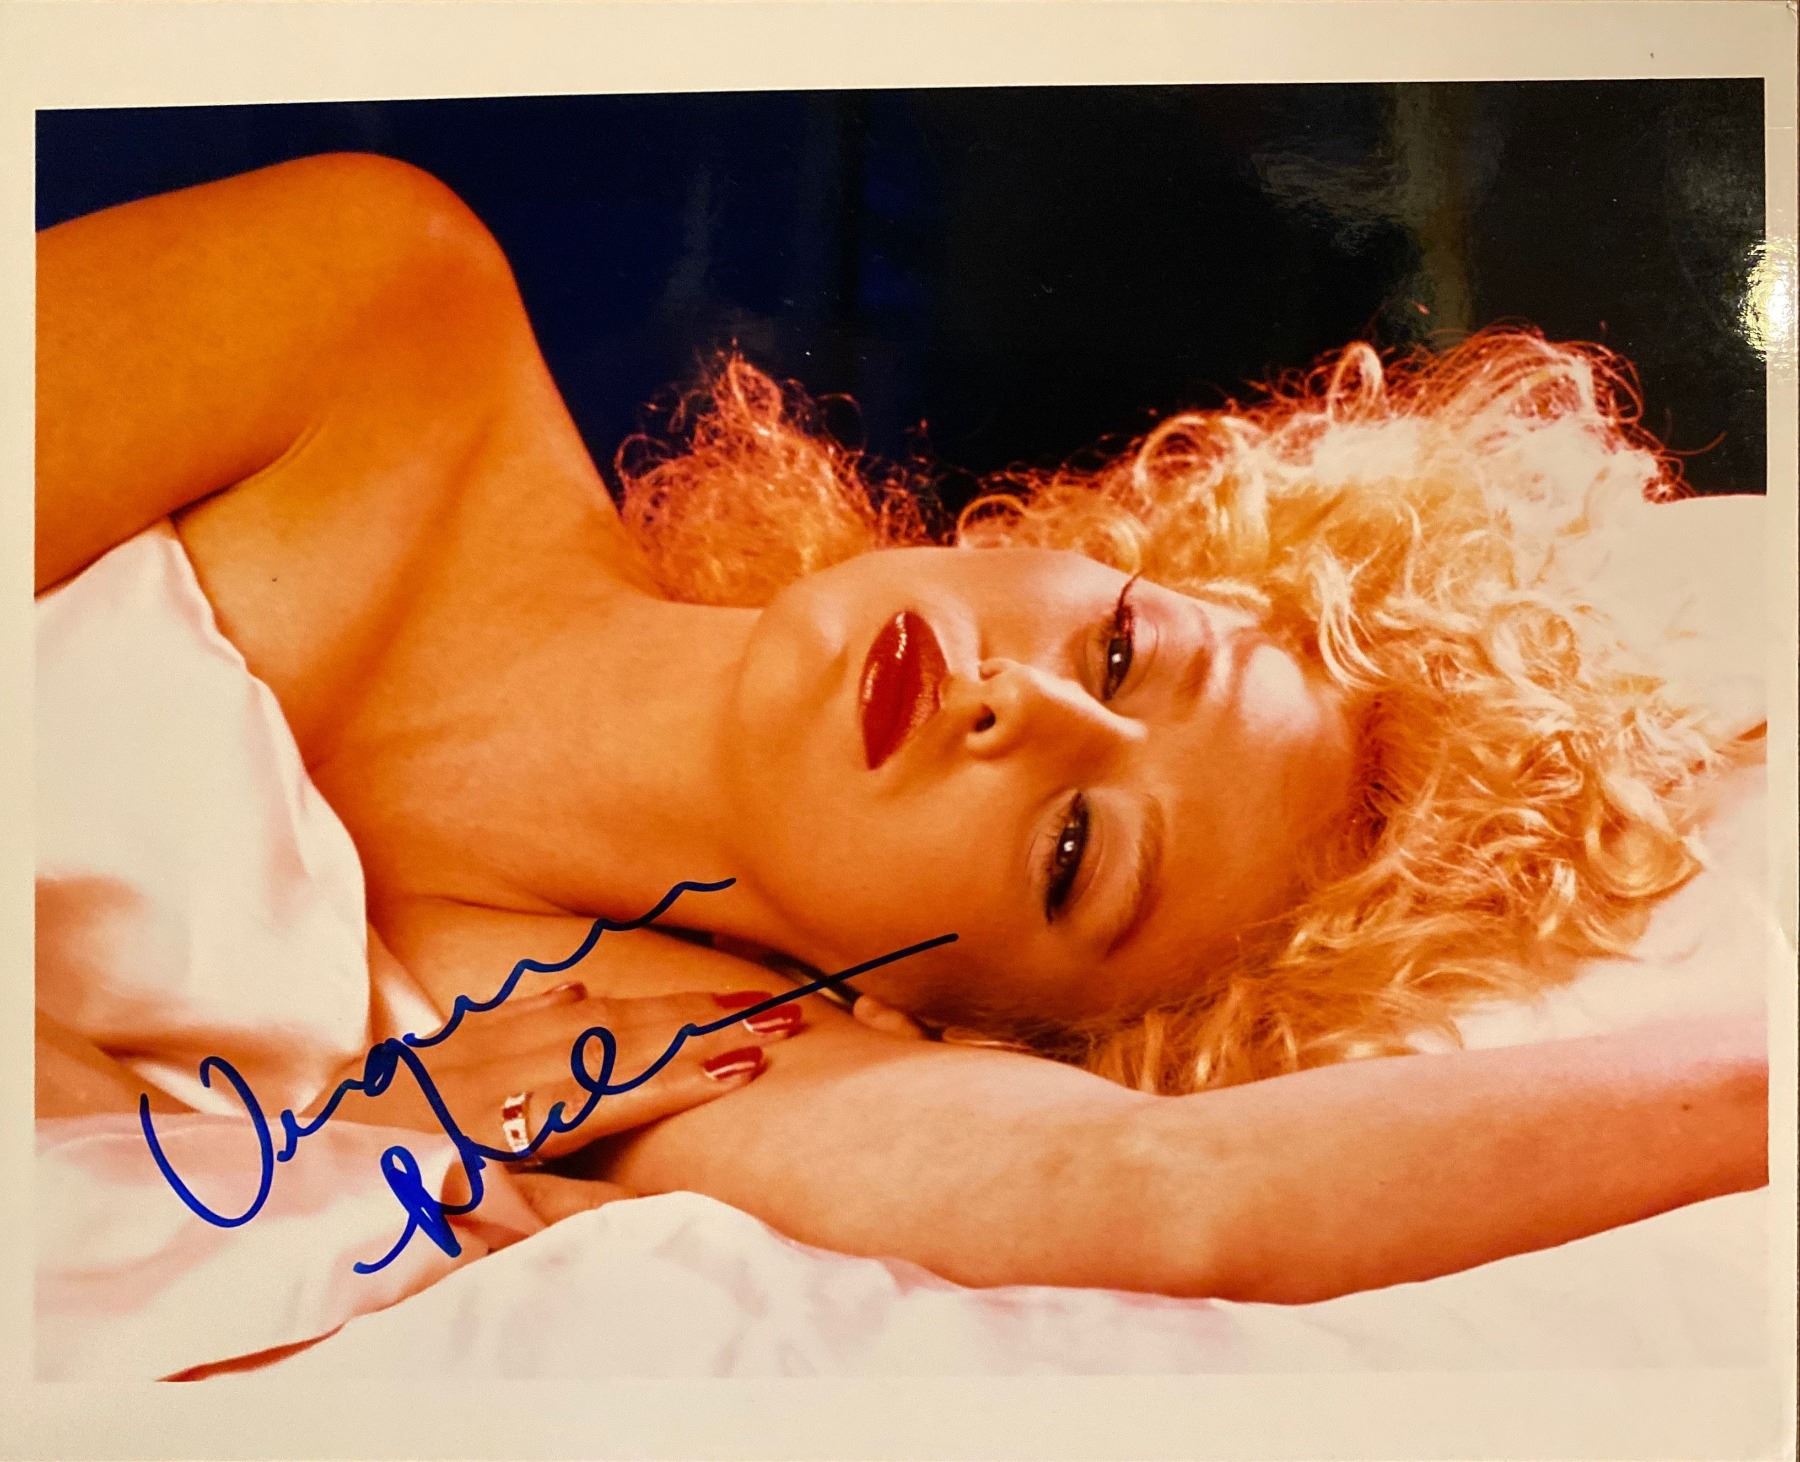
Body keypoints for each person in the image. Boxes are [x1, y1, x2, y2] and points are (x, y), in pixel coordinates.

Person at [34, 151, 1770, 1304]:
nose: (1025, 703)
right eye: (1122, 643)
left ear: (953, 1013)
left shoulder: (694, 1057)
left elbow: (1180, 1197)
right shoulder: (379, 304)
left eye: (1077, 849)